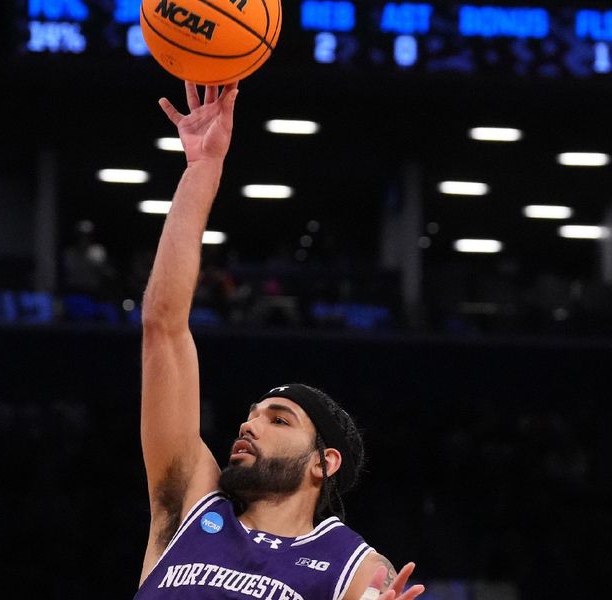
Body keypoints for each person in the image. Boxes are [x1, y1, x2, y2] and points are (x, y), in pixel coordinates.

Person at [134, 81, 425, 600]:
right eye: (254, 412)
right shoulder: (192, 500)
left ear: (324, 461)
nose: (249, 423)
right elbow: (163, 327)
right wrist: (202, 170)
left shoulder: (353, 568)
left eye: (279, 418)